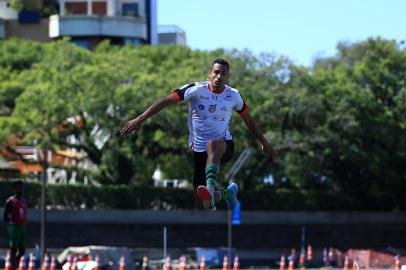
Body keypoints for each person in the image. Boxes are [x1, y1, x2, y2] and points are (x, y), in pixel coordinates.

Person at [120, 58, 277, 210]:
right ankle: (228, 194)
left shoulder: (233, 95)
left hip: (223, 147)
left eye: (223, 73)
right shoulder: (195, 89)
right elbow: (166, 101)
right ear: (210, 74)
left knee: (213, 144)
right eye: (216, 72)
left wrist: (264, 142)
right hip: (199, 150)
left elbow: (248, 120)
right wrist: (140, 119)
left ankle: (210, 187)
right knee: (205, 204)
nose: (219, 76)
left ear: (228, 77)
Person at [3, 180, 28, 270]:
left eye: (21, 188)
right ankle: (13, 267)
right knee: (13, 249)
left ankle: (15, 262)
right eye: (18, 188)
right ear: (15, 189)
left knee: (22, 250)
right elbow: (5, 217)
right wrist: (12, 220)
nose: (20, 190)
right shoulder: (10, 201)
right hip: (14, 226)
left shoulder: (24, 201)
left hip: (22, 226)